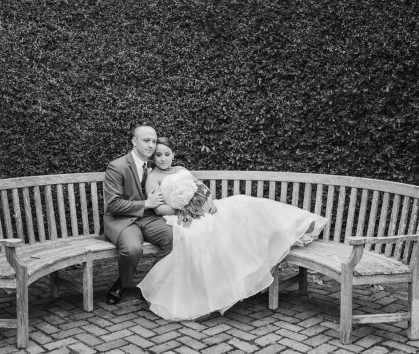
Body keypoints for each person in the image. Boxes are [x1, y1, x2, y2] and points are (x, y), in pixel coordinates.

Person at [138, 137, 328, 321]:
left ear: (173, 154)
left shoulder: (181, 169)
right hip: (183, 218)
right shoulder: (153, 178)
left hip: (204, 210)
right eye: (158, 155)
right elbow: (160, 208)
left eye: (167, 154)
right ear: (153, 157)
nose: (163, 159)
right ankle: (211, 296)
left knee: (241, 203)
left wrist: (209, 203)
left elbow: (203, 189)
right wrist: (191, 208)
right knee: (203, 236)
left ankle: (296, 226)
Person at [103, 126, 173, 305]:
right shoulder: (117, 166)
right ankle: (123, 283)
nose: (151, 145)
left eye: (154, 141)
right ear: (134, 141)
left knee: (174, 238)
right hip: (122, 220)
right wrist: (146, 204)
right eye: (146, 140)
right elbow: (113, 203)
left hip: (148, 218)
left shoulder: (154, 165)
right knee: (132, 249)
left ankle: (150, 283)